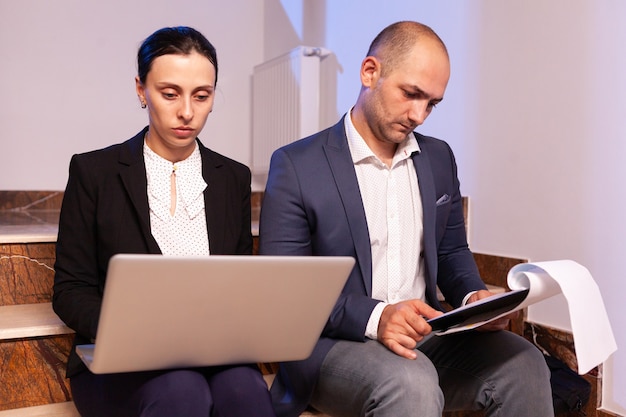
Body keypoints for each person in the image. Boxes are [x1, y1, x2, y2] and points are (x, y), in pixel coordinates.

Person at [259, 21, 554, 417]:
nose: (419, 115)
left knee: (525, 362)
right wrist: (377, 317)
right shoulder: (296, 165)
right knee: (409, 383)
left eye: (431, 103)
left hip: (425, 336)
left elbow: (451, 252)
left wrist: (474, 300)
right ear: (370, 72)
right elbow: (285, 293)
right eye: (411, 94)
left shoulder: (438, 157)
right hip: (332, 345)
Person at [52, 26, 276, 417]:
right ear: (141, 90)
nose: (187, 111)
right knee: (182, 392)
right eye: (169, 94)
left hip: (212, 352)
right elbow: (70, 290)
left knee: (247, 391)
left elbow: (239, 280)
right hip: (121, 360)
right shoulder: (95, 172)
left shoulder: (232, 179)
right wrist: (133, 330)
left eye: (201, 96)